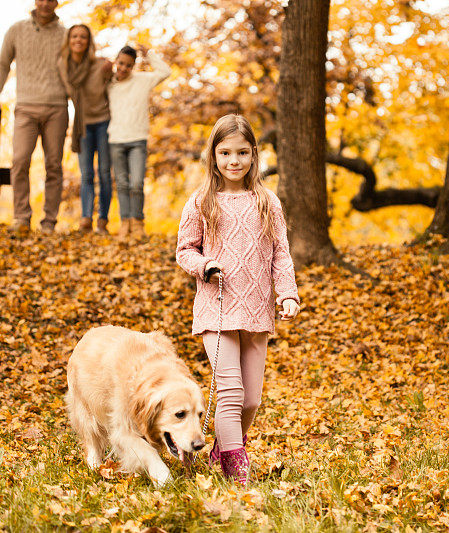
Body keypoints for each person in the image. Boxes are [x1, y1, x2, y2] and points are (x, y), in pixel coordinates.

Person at [175, 114, 301, 484]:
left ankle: (222, 449)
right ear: (213, 156)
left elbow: (281, 253)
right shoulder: (202, 201)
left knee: (251, 400)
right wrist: (204, 264)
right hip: (216, 308)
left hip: (258, 309)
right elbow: (185, 250)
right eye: (225, 152)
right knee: (230, 392)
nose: (234, 161)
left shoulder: (267, 202)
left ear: (253, 155)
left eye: (242, 152)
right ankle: (236, 474)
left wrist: (288, 293)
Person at [0, 0, 67, 233]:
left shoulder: (65, 34)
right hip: (26, 107)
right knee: (20, 161)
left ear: (56, 3)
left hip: (57, 108)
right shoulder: (16, 30)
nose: (45, 3)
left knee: (54, 165)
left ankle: (49, 222)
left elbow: (80, 68)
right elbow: (3, 64)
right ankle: (21, 217)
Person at [107, 44, 171, 239]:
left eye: (128, 65)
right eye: (120, 63)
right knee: (122, 184)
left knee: (136, 183)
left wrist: (148, 54)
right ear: (116, 62)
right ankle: (124, 223)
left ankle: (137, 223)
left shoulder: (142, 80)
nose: (123, 68)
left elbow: (165, 71)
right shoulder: (108, 83)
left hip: (137, 140)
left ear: (133, 66)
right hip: (116, 140)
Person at [57, 24, 113, 234]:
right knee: (86, 174)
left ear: (89, 41)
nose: (78, 40)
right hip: (82, 125)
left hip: (104, 123)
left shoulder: (100, 65)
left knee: (105, 173)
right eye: (74, 36)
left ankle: (103, 220)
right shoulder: (64, 65)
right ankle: (86, 219)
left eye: (83, 37)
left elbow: (113, 87)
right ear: (68, 40)